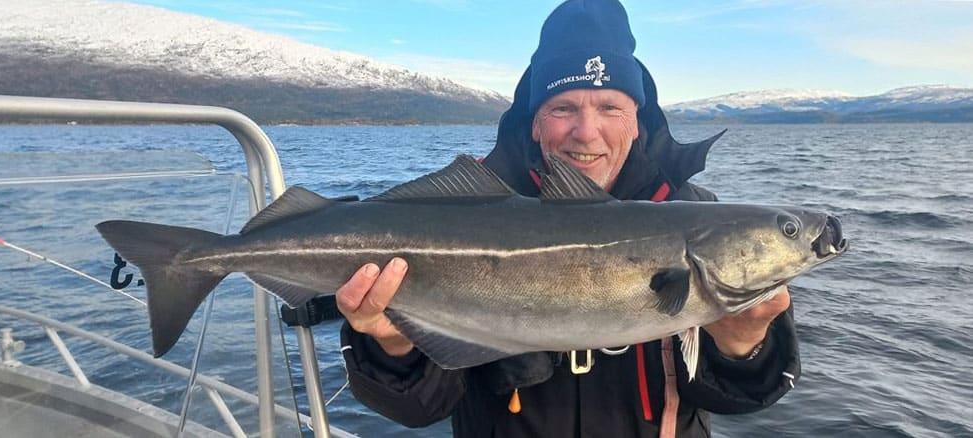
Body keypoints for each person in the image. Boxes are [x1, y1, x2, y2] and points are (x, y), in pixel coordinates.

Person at [335, 0, 800, 436]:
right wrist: (393, 346)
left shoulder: (704, 220)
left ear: (636, 120)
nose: (586, 131)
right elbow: (420, 409)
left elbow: (746, 396)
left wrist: (743, 345)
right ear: (535, 122)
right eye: (563, 108)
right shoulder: (463, 216)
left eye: (609, 107)